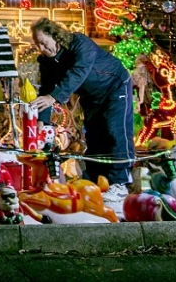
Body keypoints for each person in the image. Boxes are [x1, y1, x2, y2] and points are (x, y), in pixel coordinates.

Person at [29, 17, 134, 204]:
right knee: (94, 135)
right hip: (92, 96)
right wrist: (41, 125)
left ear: (55, 36)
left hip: (115, 86)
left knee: (115, 131)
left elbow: (78, 72)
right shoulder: (47, 62)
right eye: (38, 45)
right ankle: (95, 180)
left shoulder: (80, 44)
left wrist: (54, 97)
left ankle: (120, 183)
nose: (42, 49)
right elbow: (46, 91)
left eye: (44, 43)